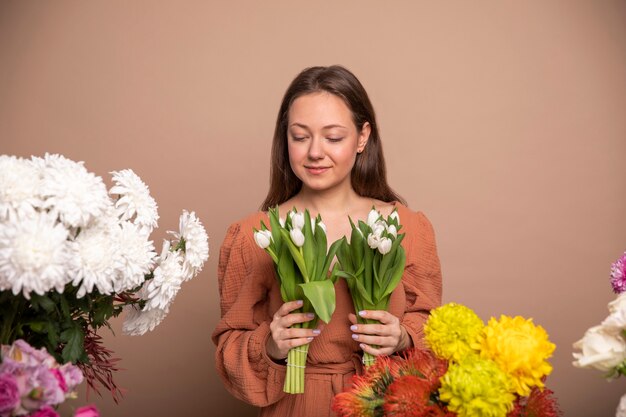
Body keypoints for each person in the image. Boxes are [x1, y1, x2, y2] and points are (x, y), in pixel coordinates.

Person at [212, 65, 442, 417]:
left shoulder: (406, 227)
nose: (315, 152)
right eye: (300, 136)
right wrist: (271, 344)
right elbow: (230, 348)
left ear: (363, 137)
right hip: (296, 405)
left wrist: (403, 338)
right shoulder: (254, 236)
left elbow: (433, 326)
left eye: (333, 137)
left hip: (384, 402)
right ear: (284, 138)